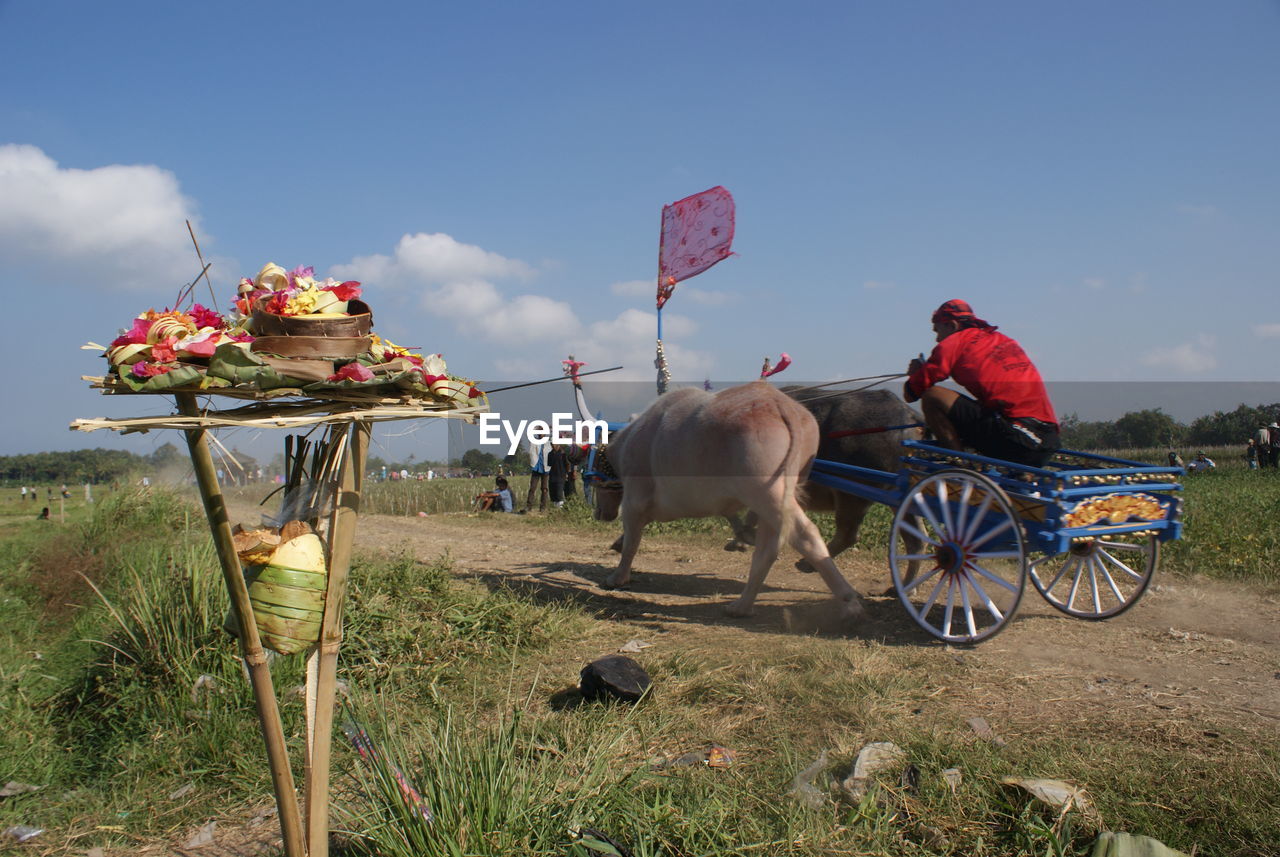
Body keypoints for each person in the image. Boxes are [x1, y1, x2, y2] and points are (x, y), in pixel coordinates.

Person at [904, 299, 1059, 467]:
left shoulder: (952, 344)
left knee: (932, 396)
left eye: (938, 331)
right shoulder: (1003, 340)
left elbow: (911, 394)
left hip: (1019, 439)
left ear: (952, 326)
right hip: (1048, 441)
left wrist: (916, 373)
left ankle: (958, 465)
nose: (937, 339)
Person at [525, 437, 549, 512]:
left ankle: (543, 507)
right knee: (532, 488)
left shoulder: (548, 442)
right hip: (536, 467)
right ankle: (529, 506)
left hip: (545, 468)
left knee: (544, 488)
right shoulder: (534, 441)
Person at [547, 443, 568, 508]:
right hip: (552, 476)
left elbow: (567, 464)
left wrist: (567, 474)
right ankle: (555, 510)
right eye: (552, 444)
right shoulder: (550, 454)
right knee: (553, 494)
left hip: (561, 475)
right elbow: (549, 464)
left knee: (559, 494)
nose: (553, 445)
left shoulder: (563, 453)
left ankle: (560, 510)